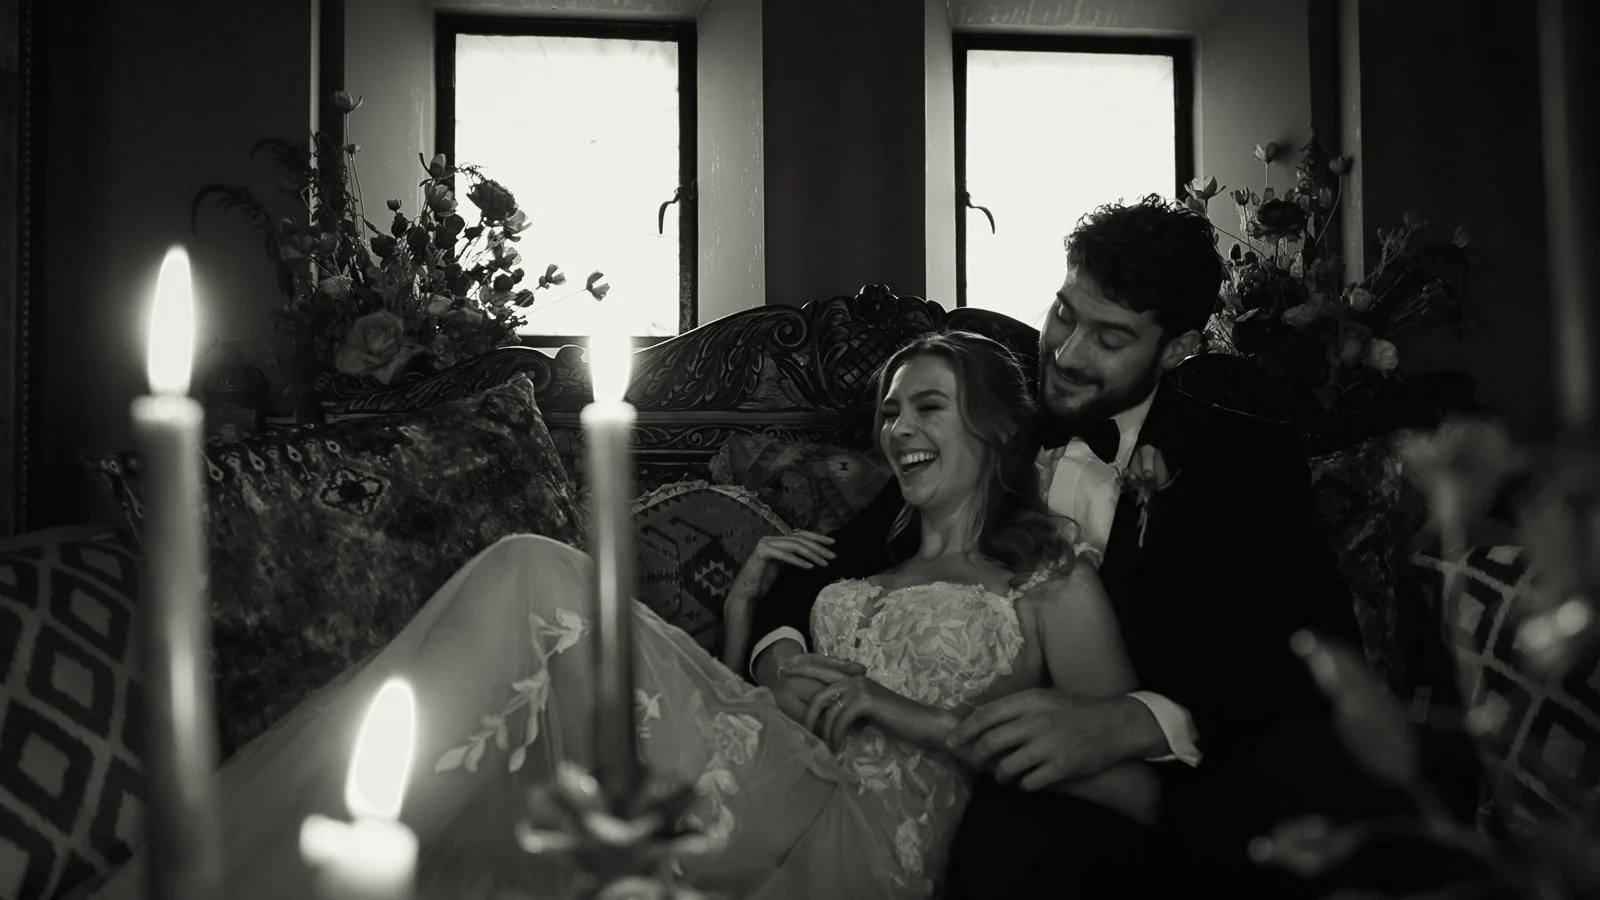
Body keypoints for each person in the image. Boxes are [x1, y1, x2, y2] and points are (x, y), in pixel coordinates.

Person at [88, 332, 1140, 900]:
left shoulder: (1049, 578)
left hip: (858, 835)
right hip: (771, 764)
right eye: (885, 410)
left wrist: (898, 714)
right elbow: (758, 694)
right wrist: (742, 620)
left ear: (995, 427)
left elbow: (1137, 792)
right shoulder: (865, 560)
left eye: (924, 406)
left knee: (535, 577)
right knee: (526, 587)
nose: (895, 429)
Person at [741, 195, 1398, 897]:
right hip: (946, 771)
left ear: (1177, 347)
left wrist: (1132, 723)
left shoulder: (1245, 458)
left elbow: (1315, 659)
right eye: (1063, 313)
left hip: (1143, 794)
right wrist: (779, 661)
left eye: (1110, 339)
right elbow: (818, 569)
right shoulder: (990, 425)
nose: (1067, 352)